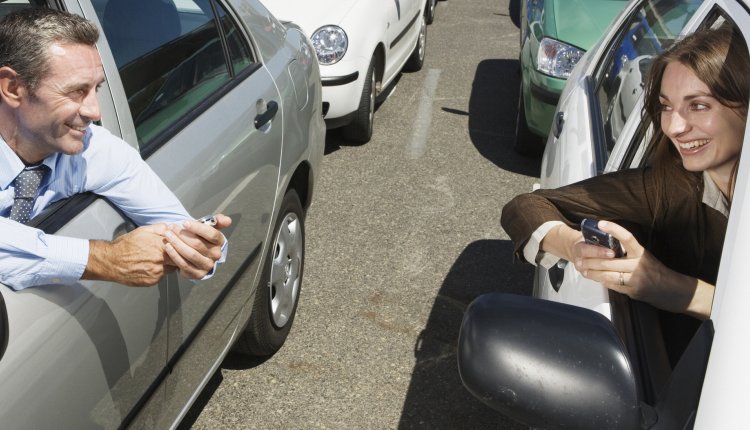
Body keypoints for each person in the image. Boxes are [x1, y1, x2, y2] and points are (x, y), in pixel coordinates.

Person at [501, 25, 749, 322]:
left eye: (698, 106)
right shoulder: (670, 187)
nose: (673, 127)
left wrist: (669, 285)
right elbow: (524, 207)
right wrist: (577, 249)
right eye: (666, 107)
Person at [0, 8, 231, 290]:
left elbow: (178, 225)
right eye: (76, 92)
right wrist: (105, 259)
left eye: (96, 88)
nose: (94, 111)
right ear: (13, 88)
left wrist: (200, 249)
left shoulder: (93, 147)